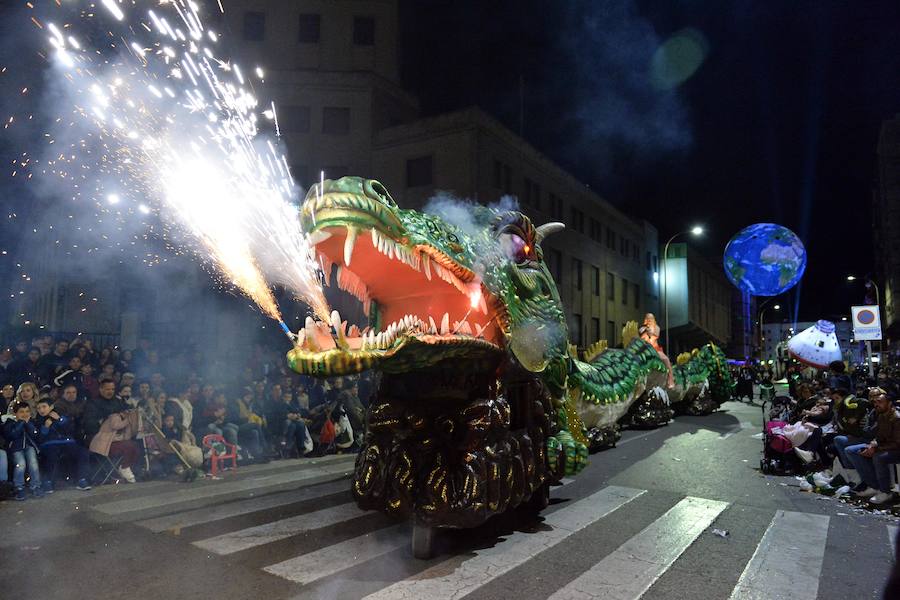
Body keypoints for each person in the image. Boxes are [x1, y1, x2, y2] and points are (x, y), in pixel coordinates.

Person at [846, 390, 900, 505]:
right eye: (875, 402)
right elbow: (878, 437)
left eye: (879, 402)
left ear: (889, 403)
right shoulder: (881, 416)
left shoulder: (897, 418)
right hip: (883, 446)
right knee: (852, 451)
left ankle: (885, 491)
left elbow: (897, 443)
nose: (876, 404)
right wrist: (872, 445)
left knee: (878, 457)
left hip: (896, 449)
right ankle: (874, 486)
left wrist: (876, 448)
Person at [83, 379, 140, 483]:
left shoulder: (117, 402)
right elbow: (89, 424)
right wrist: (108, 422)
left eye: (112, 389)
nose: (110, 391)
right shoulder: (92, 403)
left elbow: (127, 413)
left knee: (135, 445)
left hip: (117, 436)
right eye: (107, 389)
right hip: (99, 438)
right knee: (129, 446)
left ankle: (125, 467)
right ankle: (123, 468)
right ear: (100, 389)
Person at [34, 398, 91, 491]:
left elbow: (70, 429)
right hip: (49, 444)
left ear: (51, 407)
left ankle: (82, 479)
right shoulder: (38, 420)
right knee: (51, 456)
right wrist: (45, 428)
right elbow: (39, 438)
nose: (41, 410)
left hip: (67, 442)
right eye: (39, 408)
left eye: (44, 407)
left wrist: (60, 420)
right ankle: (48, 481)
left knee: (82, 452)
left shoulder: (61, 416)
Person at [3, 401, 43, 500]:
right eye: (21, 412)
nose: (25, 414)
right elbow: (12, 435)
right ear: (15, 414)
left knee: (33, 463)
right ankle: (19, 487)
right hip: (16, 448)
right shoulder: (10, 423)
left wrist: (28, 424)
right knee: (20, 464)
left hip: (29, 447)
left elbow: (35, 434)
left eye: (27, 411)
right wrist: (21, 423)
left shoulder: (31, 422)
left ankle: (36, 485)